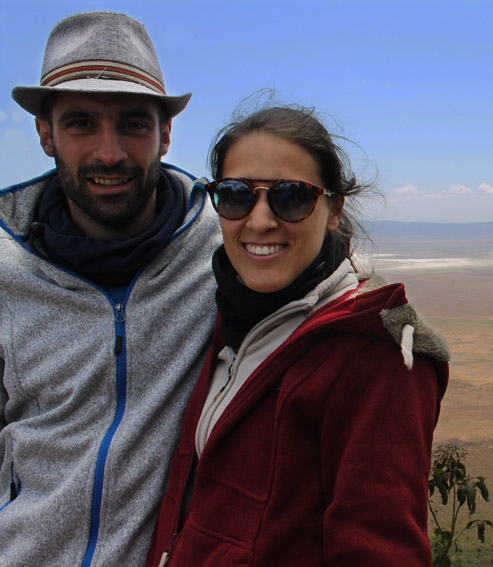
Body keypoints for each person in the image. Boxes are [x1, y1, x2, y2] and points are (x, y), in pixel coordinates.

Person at [146, 104, 450, 567]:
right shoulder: (231, 321)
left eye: (291, 197)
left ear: (334, 209)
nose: (261, 220)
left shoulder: (375, 359)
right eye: (235, 195)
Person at [0, 12, 220, 566]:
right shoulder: (5, 265)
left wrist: (387, 326)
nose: (110, 153)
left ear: (165, 133)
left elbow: (315, 281)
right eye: (80, 124)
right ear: (44, 133)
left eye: (133, 124)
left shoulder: (222, 247)